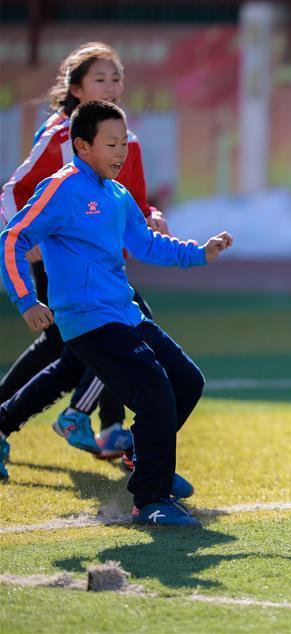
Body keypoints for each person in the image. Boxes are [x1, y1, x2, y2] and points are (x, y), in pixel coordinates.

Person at [0, 101, 233, 526]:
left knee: (186, 382)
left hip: (124, 313)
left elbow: (145, 245)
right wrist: (26, 300)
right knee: (155, 391)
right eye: (111, 143)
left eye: (124, 142)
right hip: (87, 319)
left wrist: (200, 253)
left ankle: (142, 456)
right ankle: (150, 499)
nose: (121, 152)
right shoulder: (61, 188)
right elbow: (12, 237)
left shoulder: (117, 193)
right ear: (82, 146)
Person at [0, 42, 167, 458]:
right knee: (102, 337)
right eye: (100, 79)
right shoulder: (60, 137)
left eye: (116, 78)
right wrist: (27, 240)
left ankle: (107, 427)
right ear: (76, 89)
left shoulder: (128, 138)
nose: (111, 87)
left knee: (73, 348)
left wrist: (152, 218)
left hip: (106, 269)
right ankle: (83, 418)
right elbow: (14, 193)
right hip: (66, 266)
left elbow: (135, 202)